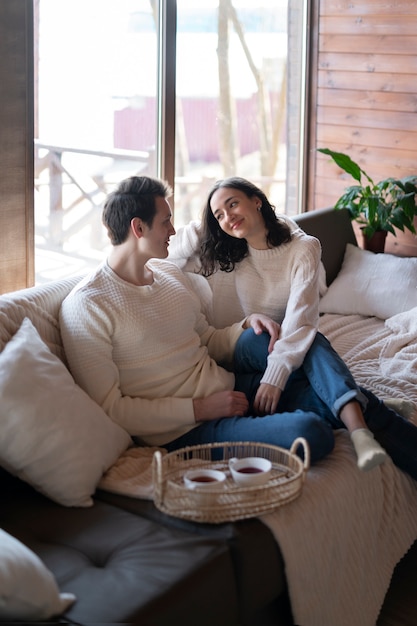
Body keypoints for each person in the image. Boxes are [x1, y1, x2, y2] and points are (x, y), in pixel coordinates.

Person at [59, 175, 334, 464]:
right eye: (166, 221)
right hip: (185, 429)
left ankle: (364, 413)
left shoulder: (168, 275)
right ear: (138, 228)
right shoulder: (87, 305)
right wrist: (200, 409)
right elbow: (111, 409)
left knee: (287, 351)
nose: (173, 230)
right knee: (311, 432)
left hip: (229, 389)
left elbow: (206, 339)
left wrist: (246, 323)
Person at [168, 176, 417, 480]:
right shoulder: (220, 249)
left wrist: (276, 374)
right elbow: (163, 256)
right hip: (232, 346)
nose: (227, 217)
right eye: (219, 214)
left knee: (307, 338)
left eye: (232, 204)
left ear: (256, 200)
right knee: (308, 343)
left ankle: (359, 426)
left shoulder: (303, 248)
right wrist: (203, 226)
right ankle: (357, 406)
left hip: (271, 344)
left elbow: (301, 319)